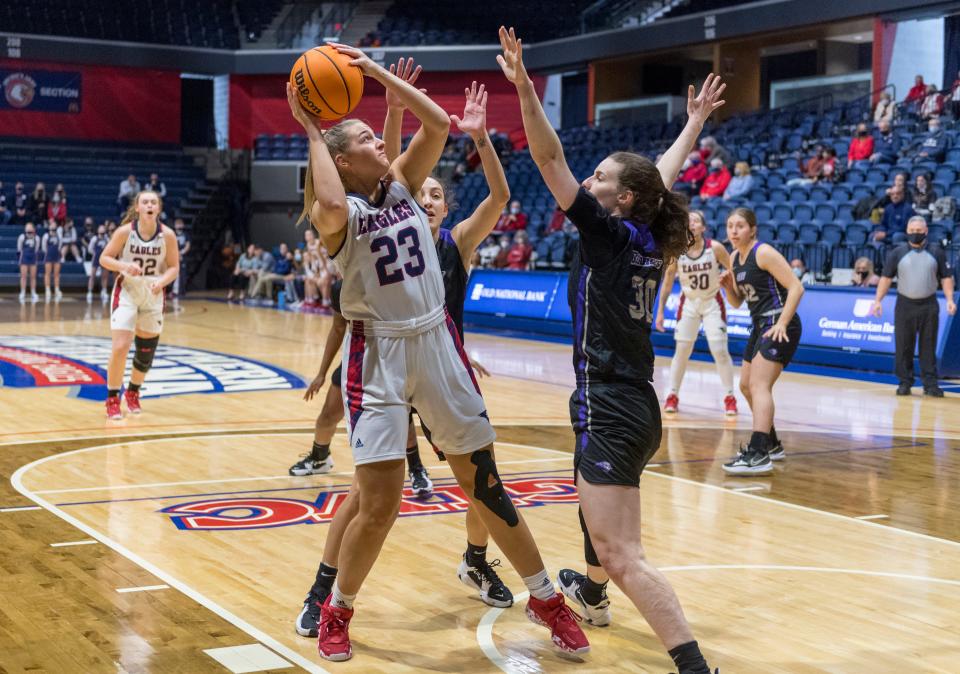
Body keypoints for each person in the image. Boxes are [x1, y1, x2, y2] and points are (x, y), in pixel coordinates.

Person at [288, 43, 588, 661]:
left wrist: (372, 75)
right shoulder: (337, 216)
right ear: (343, 158)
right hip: (379, 359)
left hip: (436, 341)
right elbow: (332, 199)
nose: (380, 142)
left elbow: (438, 124)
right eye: (367, 138)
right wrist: (312, 129)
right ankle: (337, 609)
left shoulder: (402, 187)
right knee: (379, 505)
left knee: (486, 484)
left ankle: (546, 598)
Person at [498, 26, 722, 674]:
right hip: (634, 404)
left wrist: (523, 89)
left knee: (623, 551)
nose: (587, 180)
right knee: (593, 505)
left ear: (619, 199)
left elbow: (547, 160)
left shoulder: (607, 237)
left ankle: (693, 665)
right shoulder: (649, 231)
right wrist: (694, 123)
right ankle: (591, 592)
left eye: (599, 178)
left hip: (611, 401)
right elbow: (663, 175)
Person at [719, 208, 804, 475]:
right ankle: (772, 444)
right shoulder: (734, 257)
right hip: (758, 324)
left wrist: (781, 323)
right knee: (745, 386)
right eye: (730, 226)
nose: (733, 231)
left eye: (740, 226)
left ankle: (758, 453)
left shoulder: (763, 252)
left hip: (779, 322)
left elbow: (796, 287)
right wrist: (727, 287)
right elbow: (737, 302)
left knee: (759, 385)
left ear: (752, 229)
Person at [97, 190, 179, 419]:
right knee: (120, 346)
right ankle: (112, 398)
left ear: (158, 208)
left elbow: (173, 267)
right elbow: (104, 258)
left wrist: (161, 282)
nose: (150, 204)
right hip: (128, 291)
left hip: (153, 294)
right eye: (145, 202)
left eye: (154, 201)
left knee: (145, 352)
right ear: (138, 208)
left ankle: (133, 392)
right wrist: (123, 266)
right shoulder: (125, 232)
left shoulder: (168, 235)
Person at [656, 210, 737, 416]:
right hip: (689, 303)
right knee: (682, 350)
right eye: (688, 220)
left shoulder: (715, 248)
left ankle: (729, 396)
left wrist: (735, 288)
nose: (691, 223)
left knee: (719, 349)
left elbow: (735, 270)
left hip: (712, 302)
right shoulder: (677, 251)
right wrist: (660, 312)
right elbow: (667, 282)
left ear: (703, 227)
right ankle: (672, 394)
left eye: (696, 221)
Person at [872, 216, 956, 396]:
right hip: (904, 304)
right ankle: (904, 382)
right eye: (912, 231)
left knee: (928, 345)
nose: (915, 234)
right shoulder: (898, 252)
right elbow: (886, 278)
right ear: (907, 232)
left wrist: (949, 300)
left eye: (919, 231)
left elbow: (946, 277)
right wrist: (877, 301)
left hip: (929, 304)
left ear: (926, 231)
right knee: (904, 345)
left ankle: (930, 384)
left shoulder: (936, 252)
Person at [17, 222, 40, 303]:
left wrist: (35, 259)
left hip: (33, 258)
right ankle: (22, 292)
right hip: (24, 258)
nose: (28, 229)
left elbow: (37, 249)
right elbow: (19, 249)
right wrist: (20, 259)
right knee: (23, 276)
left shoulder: (36, 238)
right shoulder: (22, 237)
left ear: (33, 229)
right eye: (27, 228)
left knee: (33, 277)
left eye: (30, 228)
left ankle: (33, 292)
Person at [87, 224, 111, 303]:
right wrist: (94, 253)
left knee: (104, 276)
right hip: (96, 258)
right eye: (100, 229)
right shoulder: (94, 239)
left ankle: (104, 291)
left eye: (103, 229)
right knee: (92, 275)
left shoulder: (107, 238)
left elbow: (109, 247)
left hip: (104, 259)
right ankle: (90, 292)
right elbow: (90, 249)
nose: (101, 230)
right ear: (98, 230)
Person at [41, 219, 62, 302]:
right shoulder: (46, 236)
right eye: (51, 226)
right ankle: (47, 289)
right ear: (49, 227)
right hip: (48, 256)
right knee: (48, 273)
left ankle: (57, 289)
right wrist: (48, 253)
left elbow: (60, 245)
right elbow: (43, 247)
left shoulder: (59, 235)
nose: (53, 227)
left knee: (56, 274)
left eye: (54, 226)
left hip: (56, 256)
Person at [172, 218, 190, 298]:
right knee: (174, 274)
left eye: (180, 224)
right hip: (173, 256)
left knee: (183, 274)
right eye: (177, 224)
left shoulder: (186, 235)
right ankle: (174, 291)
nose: (179, 225)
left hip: (182, 256)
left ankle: (182, 291)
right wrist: (175, 254)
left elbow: (188, 245)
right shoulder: (172, 234)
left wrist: (181, 252)